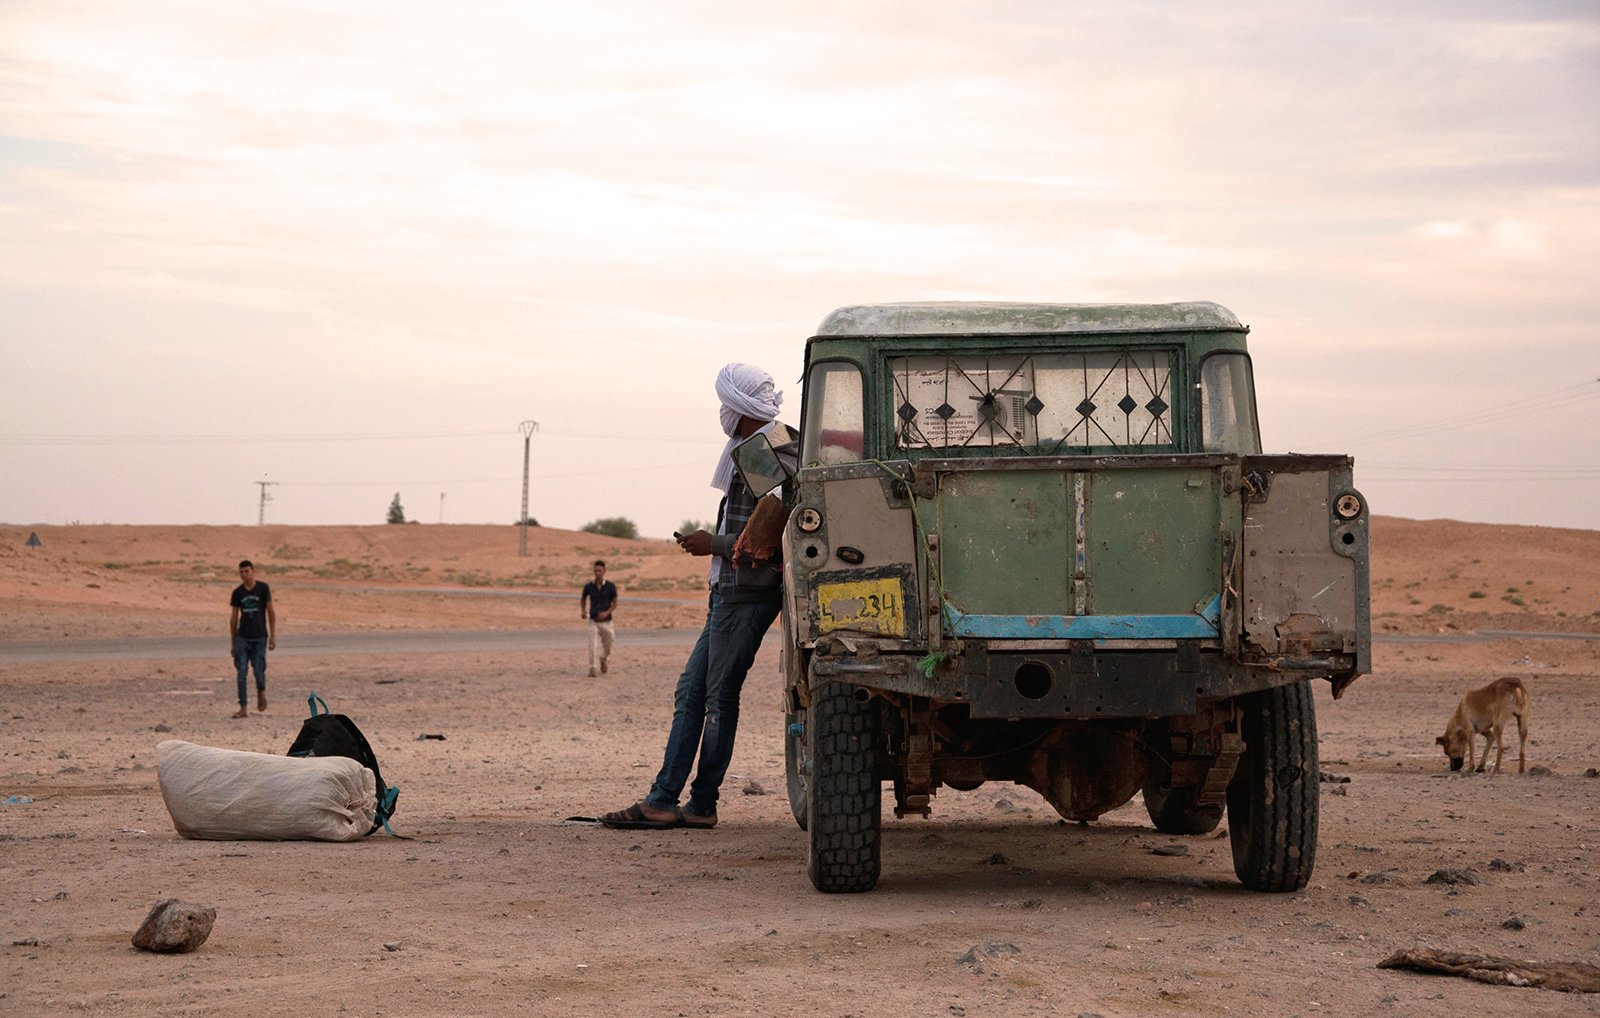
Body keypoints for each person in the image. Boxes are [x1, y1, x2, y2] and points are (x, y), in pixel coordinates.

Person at [600, 363, 796, 830]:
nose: (723, 414)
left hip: (745, 594)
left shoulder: (767, 454)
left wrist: (714, 544)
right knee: (695, 692)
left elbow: (773, 542)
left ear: (743, 408)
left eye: (727, 405)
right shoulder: (768, 446)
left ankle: (684, 801)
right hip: (730, 593)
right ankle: (675, 799)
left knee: (716, 698)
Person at [228, 559, 276, 719]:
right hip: (243, 637)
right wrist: (233, 642)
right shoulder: (238, 593)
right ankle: (243, 708)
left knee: (258, 670)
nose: (244, 575)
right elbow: (234, 618)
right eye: (241, 572)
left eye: (246, 571)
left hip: (260, 637)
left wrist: (272, 636)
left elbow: (270, 612)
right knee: (241, 672)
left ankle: (261, 691)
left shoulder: (263, 588)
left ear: (253, 571)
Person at [581, 559, 618, 676]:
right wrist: (583, 611)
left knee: (609, 645)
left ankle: (603, 658)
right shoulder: (588, 586)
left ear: (604, 571)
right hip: (593, 620)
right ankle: (592, 668)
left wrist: (607, 612)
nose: (598, 573)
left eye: (600, 571)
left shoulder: (611, 586)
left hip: (607, 622)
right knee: (592, 644)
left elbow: (615, 602)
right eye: (596, 571)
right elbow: (583, 599)